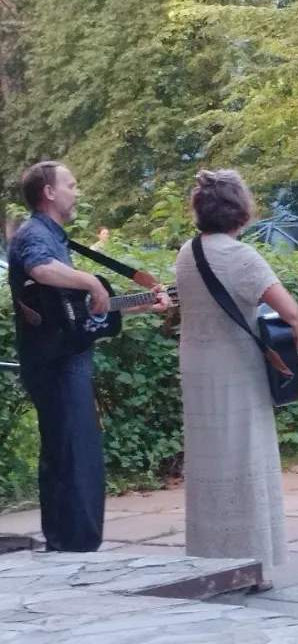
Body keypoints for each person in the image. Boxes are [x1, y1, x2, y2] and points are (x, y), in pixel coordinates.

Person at [8, 161, 169, 552]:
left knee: (71, 450)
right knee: (74, 453)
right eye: (71, 185)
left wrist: (141, 304)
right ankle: (73, 544)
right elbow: (41, 269)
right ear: (49, 192)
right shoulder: (36, 234)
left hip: (64, 357)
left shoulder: (56, 237)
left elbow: (77, 310)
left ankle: (69, 540)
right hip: (56, 363)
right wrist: (92, 280)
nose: (77, 192)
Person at [176, 169, 298, 592]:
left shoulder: (186, 253)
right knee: (245, 458)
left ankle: (210, 561)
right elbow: (292, 314)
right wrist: (291, 354)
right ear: (240, 209)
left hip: (197, 366)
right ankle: (250, 568)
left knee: (208, 459)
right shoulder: (242, 256)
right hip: (236, 368)